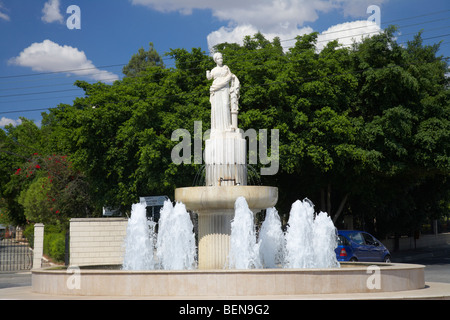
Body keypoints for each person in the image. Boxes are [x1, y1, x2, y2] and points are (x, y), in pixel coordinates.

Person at [206, 52, 235, 134]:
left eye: (221, 58)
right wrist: (207, 73)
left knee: (225, 104)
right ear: (215, 60)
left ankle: (227, 126)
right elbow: (209, 78)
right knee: (217, 107)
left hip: (225, 87)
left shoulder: (226, 68)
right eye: (218, 58)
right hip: (216, 88)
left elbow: (231, 76)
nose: (221, 60)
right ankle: (217, 127)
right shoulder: (214, 70)